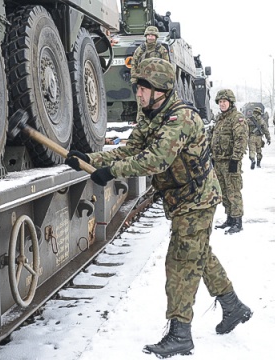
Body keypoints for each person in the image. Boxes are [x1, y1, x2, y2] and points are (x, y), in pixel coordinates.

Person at [65, 58, 252, 358]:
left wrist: (113, 172)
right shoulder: (152, 115)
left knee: (180, 262)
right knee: (198, 254)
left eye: (143, 88)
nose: (137, 94)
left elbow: (156, 160)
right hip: (183, 200)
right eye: (138, 88)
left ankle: (180, 334)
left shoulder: (181, 119)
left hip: (197, 200)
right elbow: (131, 149)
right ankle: (233, 306)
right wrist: (90, 159)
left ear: (161, 89)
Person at [211, 89, 248, 234]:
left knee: (234, 191)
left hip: (230, 161)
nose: (222, 104)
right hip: (219, 161)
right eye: (220, 102)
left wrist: (235, 159)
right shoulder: (220, 119)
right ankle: (230, 218)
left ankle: (238, 221)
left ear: (230, 102)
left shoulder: (236, 118)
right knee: (224, 192)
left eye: (224, 101)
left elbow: (241, 139)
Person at [130, 26, 170, 123]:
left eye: (152, 35)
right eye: (149, 35)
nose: (150, 37)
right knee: (142, 104)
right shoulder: (140, 50)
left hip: (157, 82)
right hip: (143, 81)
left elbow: (167, 66)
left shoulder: (161, 50)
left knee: (159, 103)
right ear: (146, 36)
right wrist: (134, 80)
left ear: (156, 37)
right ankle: (141, 123)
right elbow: (134, 64)